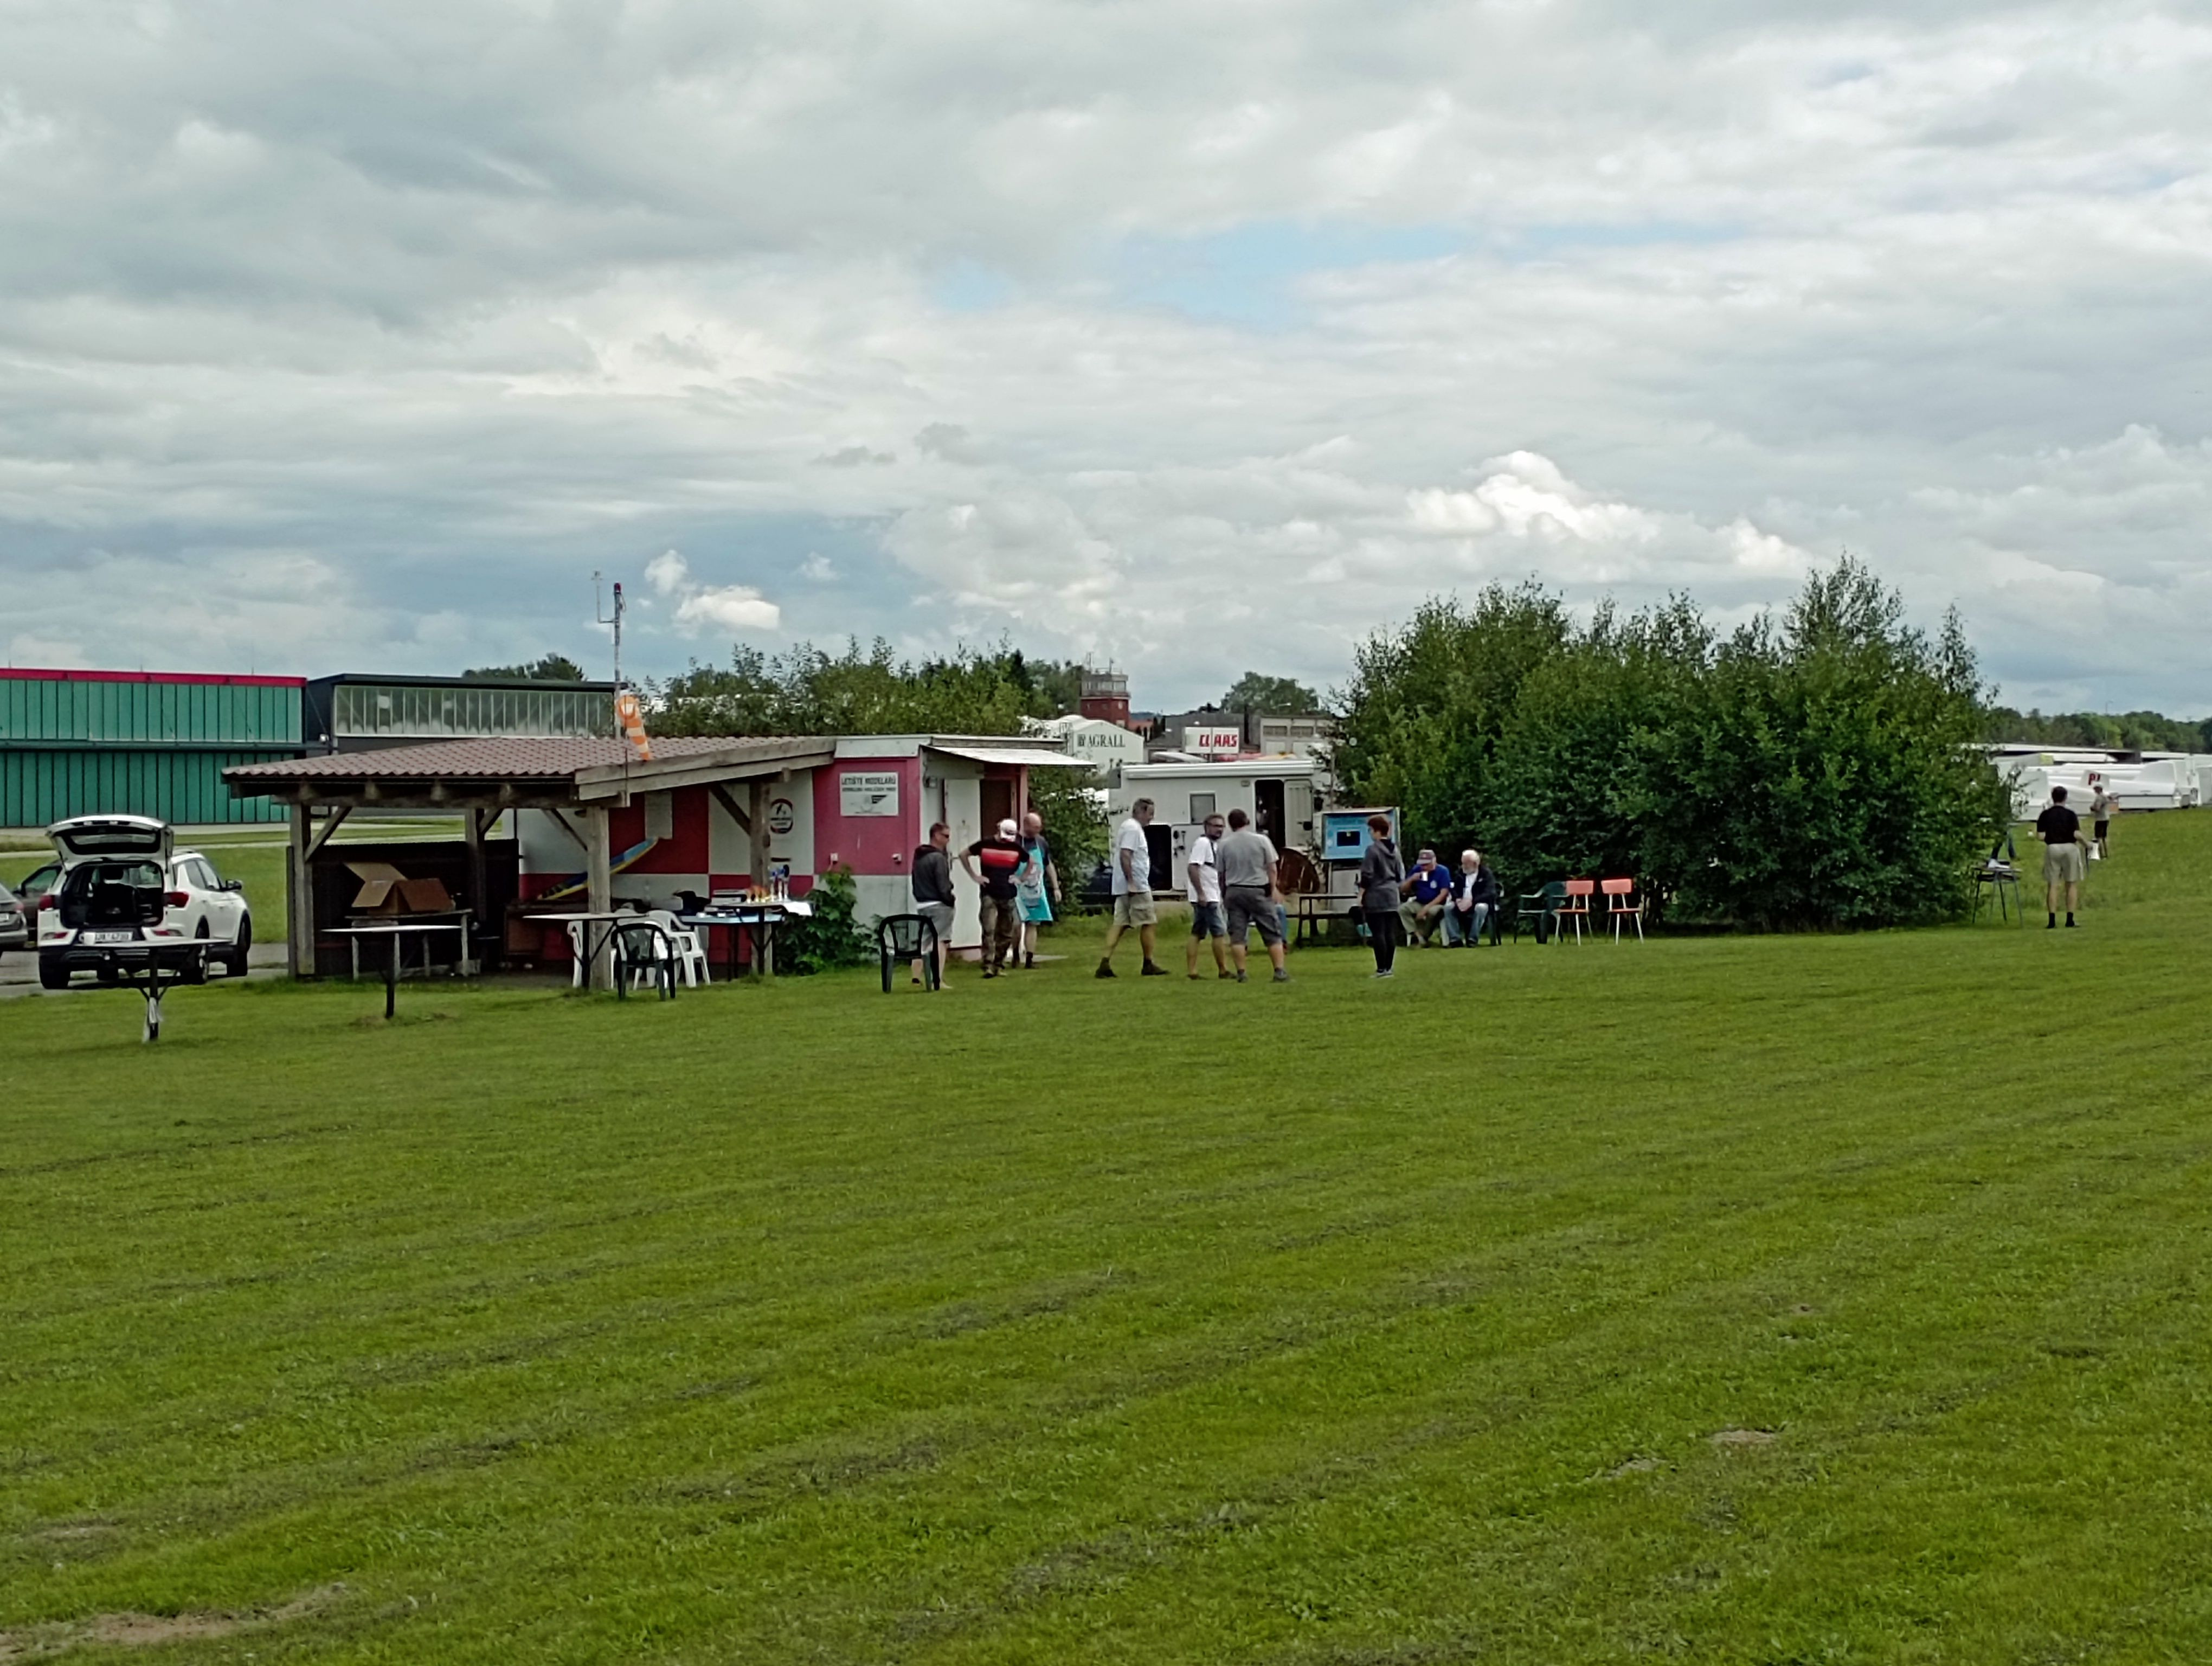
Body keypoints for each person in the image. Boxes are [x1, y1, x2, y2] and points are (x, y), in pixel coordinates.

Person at [1215, 807, 1290, 983]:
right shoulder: (1261, 840)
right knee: (1272, 931)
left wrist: (1224, 893)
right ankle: (1279, 971)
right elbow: (1272, 868)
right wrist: (1273, 888)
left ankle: (1241, 973)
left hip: (1234, 890)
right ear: (1247, 821)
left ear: (1230, 825)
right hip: (1257, 889)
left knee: (1238, 935)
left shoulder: (1224, 845)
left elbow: (1221, 874)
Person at [1098, 798, 1167, 977]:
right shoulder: (1133, 829)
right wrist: (1131, 882)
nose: (1151, 818)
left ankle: (1105, 962)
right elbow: (1126, 855)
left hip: (1124, 886)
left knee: (1120, 924)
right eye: (1150, 813)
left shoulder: (1128, 827)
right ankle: (1148, 963)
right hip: (1136, 886)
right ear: (1140, 811)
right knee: (1149, 922)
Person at [960, 817, 1026, 975]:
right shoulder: (985, 844)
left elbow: (1031, 862)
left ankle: (999, 964)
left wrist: (1020, 878)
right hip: (989, 893)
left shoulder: (1016, 848)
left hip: (1008, 894)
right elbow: (963, 855)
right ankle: (988, 965)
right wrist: (975, 876)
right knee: (989, 929)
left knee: (1006, 932)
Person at [1185, 811, 1231, 979]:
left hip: (1212, 894)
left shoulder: (1215, 845)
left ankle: (1192, 971)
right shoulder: (1203, 843)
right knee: (1219, 932)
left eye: (1222, 827)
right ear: (1207, 827)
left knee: (1198, 932)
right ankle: (1223, 970)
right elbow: (1193, 867)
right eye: (1216, 826)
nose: (1220, 830)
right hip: (1207, 896)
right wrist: (1201, 893)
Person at [1358, 813, 1405, 977]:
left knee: (1378, 933)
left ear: (1377, 831)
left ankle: (1381, 968)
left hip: (1376, 895)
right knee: (1389, 932)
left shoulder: (1373, 850)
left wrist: (1361, 894)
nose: (1370, 833)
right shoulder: (1395, 850)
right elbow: (1400, 874)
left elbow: (1367, 875)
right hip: (1392, 894)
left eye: (1371, 830)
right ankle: (1389, 968)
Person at [909, 821, 955, 985]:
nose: (948, 840)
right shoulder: (938, 858)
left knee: (923, 941)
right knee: (941, 941)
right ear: (936, 835)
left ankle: (916, 977)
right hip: (939, 904)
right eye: (946, 836)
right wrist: (950, 899)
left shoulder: (919, 857)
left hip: (922, 903)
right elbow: (943, 885)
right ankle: (937, 979)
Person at [1015, 810, 1062, 970]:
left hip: (1036, 889)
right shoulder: (1015, 842)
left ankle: (1029, 958)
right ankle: (1015, 954)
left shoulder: (1041, 843)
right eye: (1035, 827)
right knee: (1016, 924)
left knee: (1033, 923)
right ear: (1026, 825)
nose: (1038, 830)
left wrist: (1056, 887)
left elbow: (1048, 864)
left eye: (1039, 827)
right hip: (1017, 890)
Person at [2036, 785, 2084, 929]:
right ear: (2065, 798)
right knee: (2071, 883)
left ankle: (2052, 920)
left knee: (2053, 884)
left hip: (2053, 848)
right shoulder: (2070, 814)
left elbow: (2040, 836)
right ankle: (2070, 919)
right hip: (2070, 847)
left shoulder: (2045, 815)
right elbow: (2076, 834)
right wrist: (2087, 844)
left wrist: (2051, 837)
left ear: (2052, 797)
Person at [1443, 848, 1501, 945]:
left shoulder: (1486, 874)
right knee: (1448, 908)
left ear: (1475, 864)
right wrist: (1457, 899)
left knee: (1481, 908)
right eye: (1463, 863)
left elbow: (1490, 893)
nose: (1463, 866)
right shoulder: (1460, 873)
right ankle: (1455, 939)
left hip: (1479, 902)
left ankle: (1473, 939)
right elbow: (1453, 888)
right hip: (1461, 902)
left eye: (1466, 864)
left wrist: (1472, 901)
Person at [1398, 848, 1452, 946]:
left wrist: (1426, 909)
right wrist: (1411, 880)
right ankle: (1416, 935)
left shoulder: (1443, 871)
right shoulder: (1417, 870)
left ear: (1434, 860)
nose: (1424, 867)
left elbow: (1444, 893)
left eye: (1427, 864)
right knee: (1402, 909)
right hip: (1419, 901)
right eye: (1422, 864)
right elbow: (1403, 890)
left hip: (1436, 903)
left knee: (1432, 912)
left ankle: (1424, 936)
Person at [2089, 776, 2115, 861]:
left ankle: (2101, 855)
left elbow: (2098, 808)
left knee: (2099, 838)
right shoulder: (2105, 796)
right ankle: (2106, 854)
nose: (2094, 790)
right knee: (2104, 837)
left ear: (2098, 789)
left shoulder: (2099, 798)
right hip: (2106, 818)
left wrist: (2092, 808)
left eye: (2095, 788)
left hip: (2100, 819)